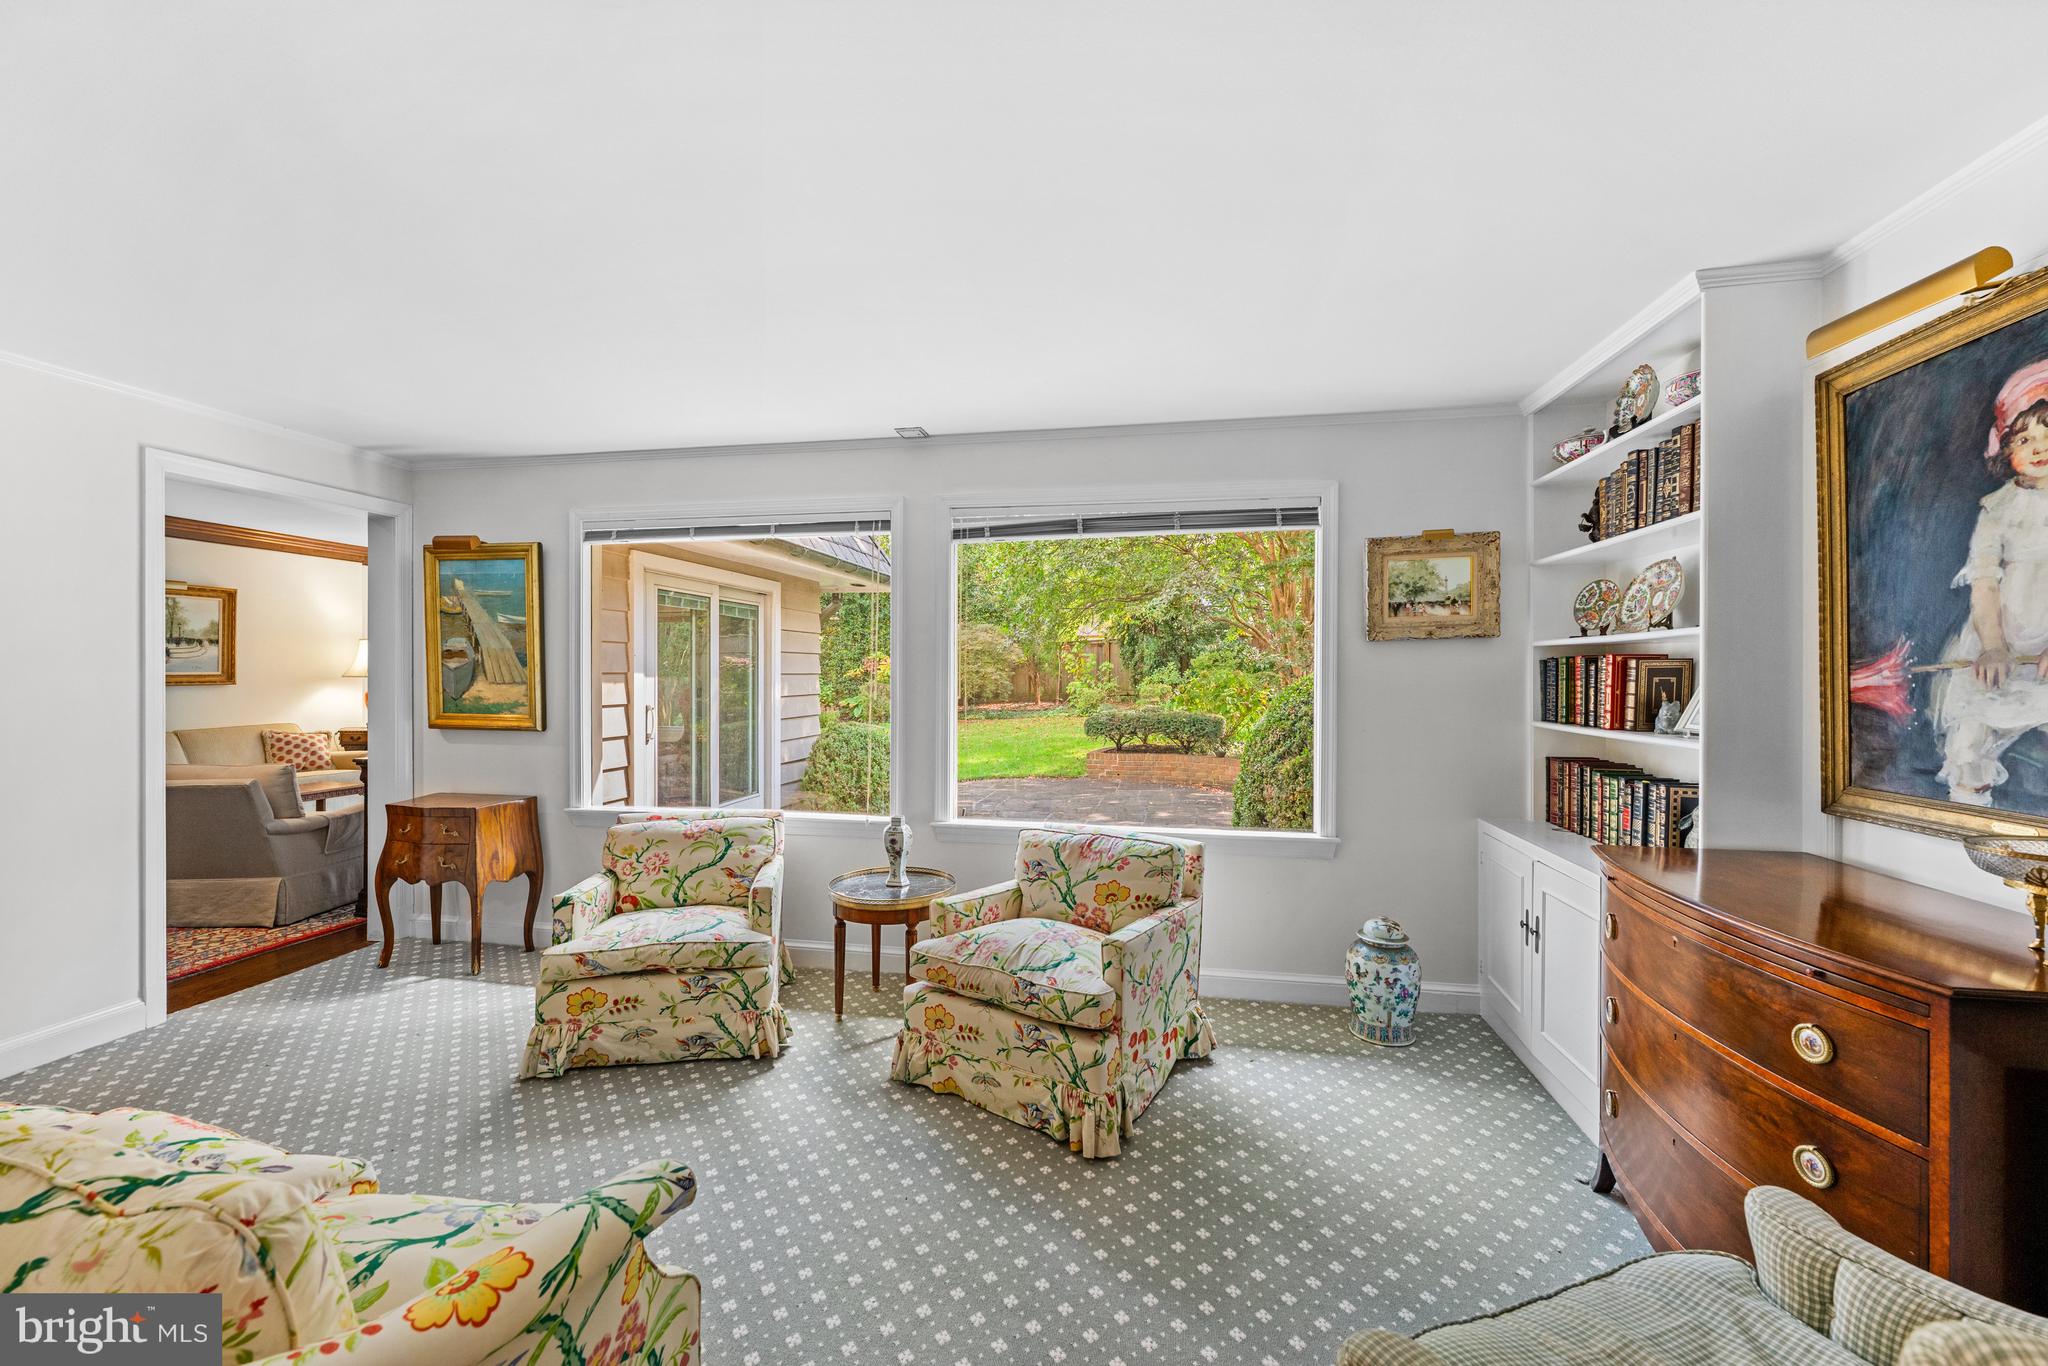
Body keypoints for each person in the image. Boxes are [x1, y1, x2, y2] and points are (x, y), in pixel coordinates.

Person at [1933, 358, 2048, 804]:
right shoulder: (1996, 510)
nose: (2037, 447)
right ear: (2005, 449)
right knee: (1970, 739)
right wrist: (1994, 645)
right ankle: (1969, 806)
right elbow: (1985, 584)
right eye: (2023, 438)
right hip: (2000, 641)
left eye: (2046, 431)